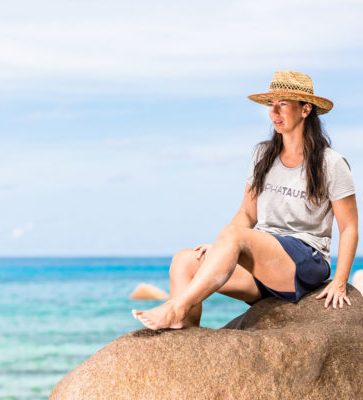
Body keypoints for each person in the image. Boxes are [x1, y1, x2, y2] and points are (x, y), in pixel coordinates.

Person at [132, 70, 358, 331]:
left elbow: (349, 227)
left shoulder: (331, 163)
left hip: (304, 261)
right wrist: (222, 248)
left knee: (233, 235)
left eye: (283, 104)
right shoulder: (264, 154)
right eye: (271, 105)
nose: (274, 113)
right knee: (183, 261)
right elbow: (247, 214)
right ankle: (188, 339)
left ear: (305, 109)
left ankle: (176, 308)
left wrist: (340, 280)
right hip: (264, 264)